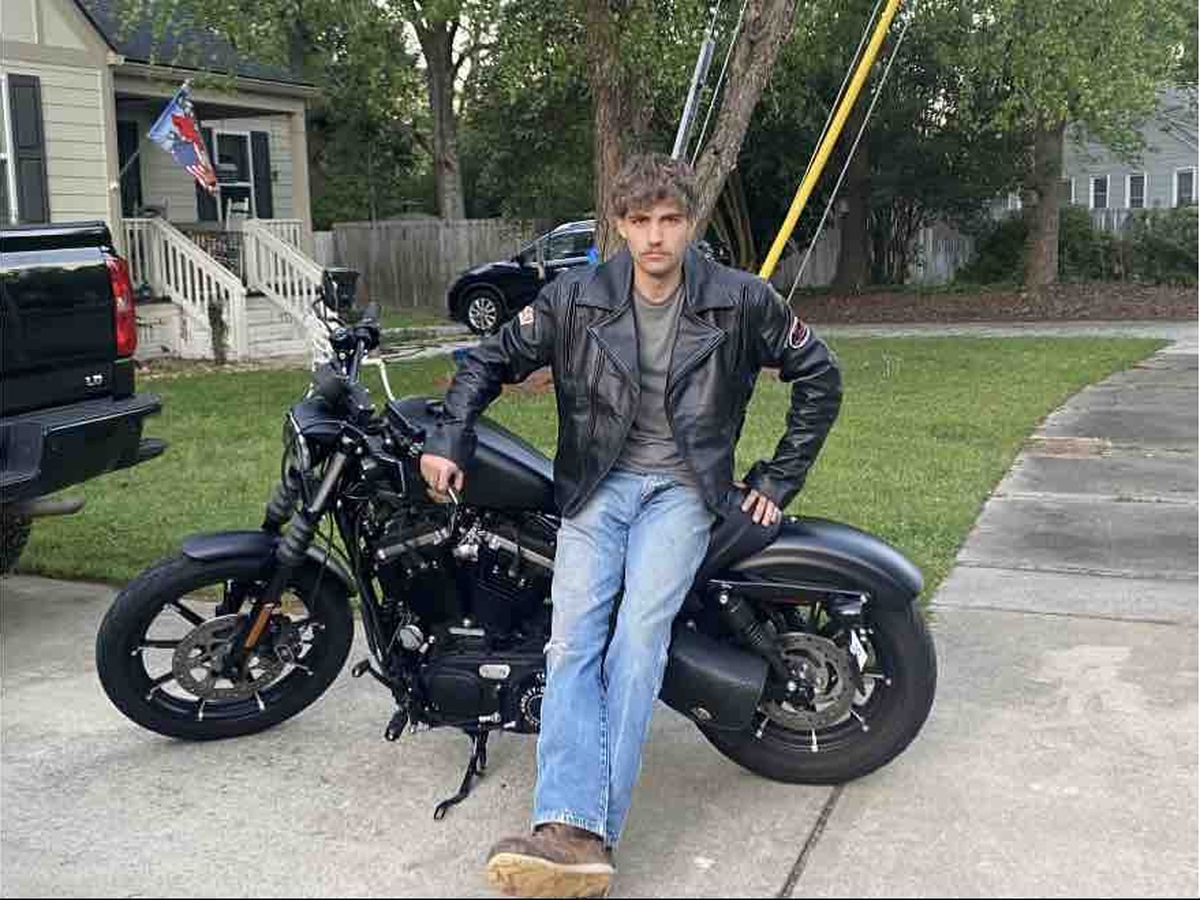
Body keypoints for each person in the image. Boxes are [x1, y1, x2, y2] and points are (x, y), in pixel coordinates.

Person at [419, 153, 842, 898]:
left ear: (691, 223)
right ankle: (572, 828)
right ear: (618, 224)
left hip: (683, 491)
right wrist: (449, 438)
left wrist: (777, 478)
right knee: (571, 643)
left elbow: (821, 376)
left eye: (670, 220)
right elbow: (487, 360)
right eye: (640, 220)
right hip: (596, 488)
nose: (655, 237)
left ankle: (578, 836)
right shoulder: (574, 298)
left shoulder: (742, 299)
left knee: (637, 643)